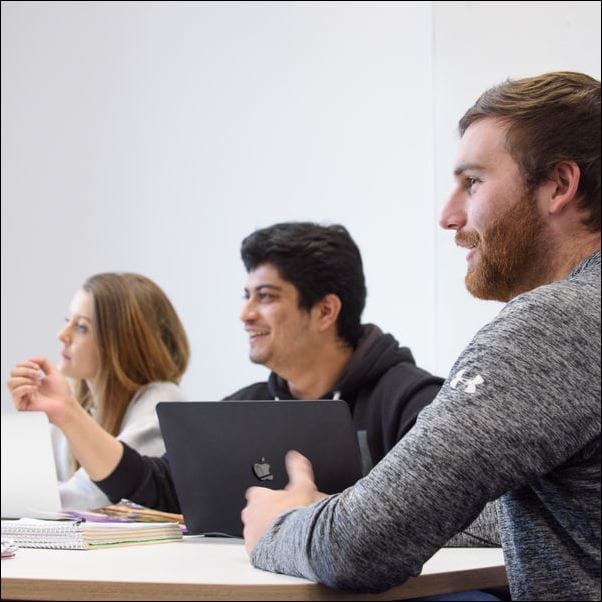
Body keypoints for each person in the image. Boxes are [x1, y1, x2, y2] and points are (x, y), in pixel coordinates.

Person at [240, 71, 601, 601]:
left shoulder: (558, 324)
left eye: (473, 182)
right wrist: (347, 510)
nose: (448, 215)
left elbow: (357, 550)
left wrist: (282, 525)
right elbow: (524, 514)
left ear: (558, 186)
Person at [7, 272, 190, 510]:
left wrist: (18, 501)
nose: (62, 335)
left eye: (81, 327)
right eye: (67, 320)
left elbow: (99, 496)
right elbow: (32, 483)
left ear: (123, 343)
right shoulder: (78, 402)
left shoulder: (161, 402)